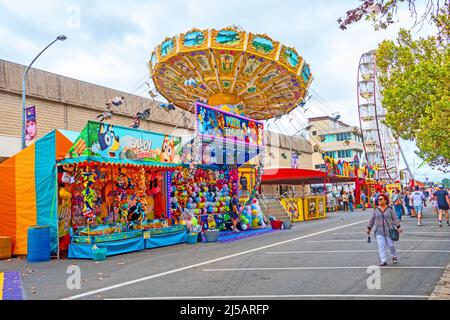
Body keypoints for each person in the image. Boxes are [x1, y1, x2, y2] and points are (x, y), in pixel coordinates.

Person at [366, 193, 403, 266]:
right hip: (379, 231)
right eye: (378, 199)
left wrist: (398, 227)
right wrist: (369, 228)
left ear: (385, 200)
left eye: (381, 199)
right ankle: (383, 260)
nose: (379, 201)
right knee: (381, 246)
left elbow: (395, 219)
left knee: (391, 245)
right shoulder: (376, 210)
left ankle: (394, 256)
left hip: (389, 231)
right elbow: (372, 220)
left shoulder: (390, 209)